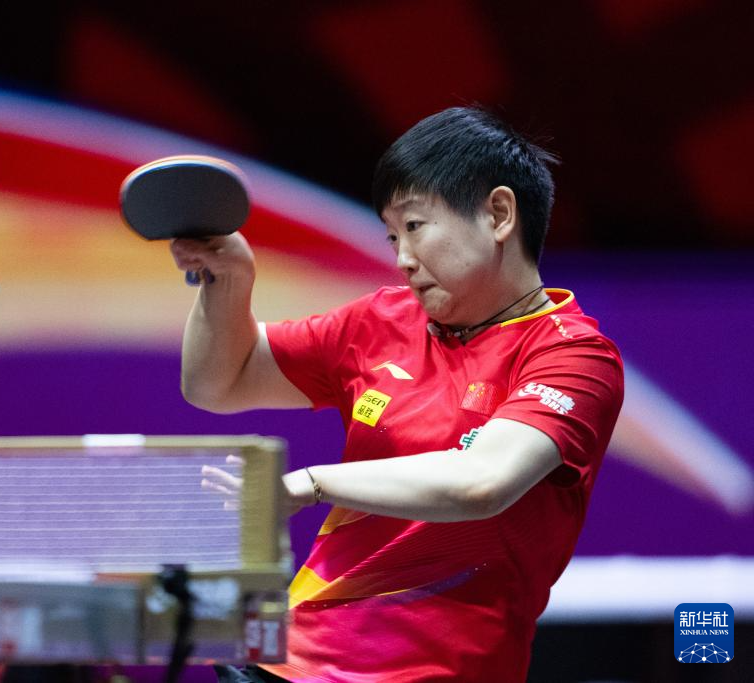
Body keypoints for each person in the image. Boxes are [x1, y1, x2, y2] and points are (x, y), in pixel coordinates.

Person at [173, 107, 624, 683]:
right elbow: (218, 381)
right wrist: (226, 281)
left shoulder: (574, 356)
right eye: (392, 235)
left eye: (414, 226)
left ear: (498, 214)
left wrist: (309, 483)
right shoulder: (381, 320)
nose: (402, 258)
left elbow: (483, 481)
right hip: (291, 662)